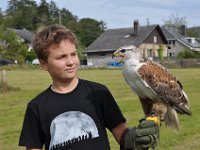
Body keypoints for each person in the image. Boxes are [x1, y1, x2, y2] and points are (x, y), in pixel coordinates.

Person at [19, 24, 159, 150]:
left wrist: (135, 139)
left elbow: (122, 135)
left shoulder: (98, 93)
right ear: (44, 64)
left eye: (73, 54)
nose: (70, 62)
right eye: (61, 57)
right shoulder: (37, 106)